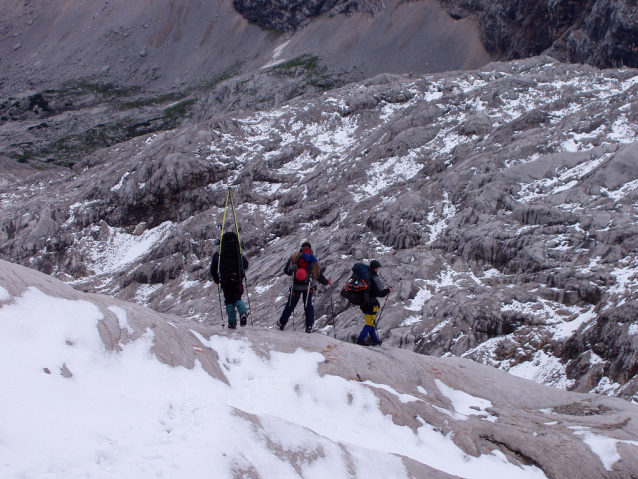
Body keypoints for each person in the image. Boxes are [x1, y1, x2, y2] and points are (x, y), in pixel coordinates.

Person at [277, 241, 332, 333]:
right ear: (310, 249)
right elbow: (318, 275)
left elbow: (287, 271)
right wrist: (327, 282)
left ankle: (282, 324)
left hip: (296, 286)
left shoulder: (295, 257)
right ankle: (309, 326)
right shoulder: (312, 259)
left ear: (301, 248)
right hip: (308, 287)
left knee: (290, 305)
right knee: (308, 306)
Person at [211, 231, 249, 329]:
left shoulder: (219, 255)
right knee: (237, 298)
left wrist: (216, 279)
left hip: (225, 281)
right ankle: (243, 312)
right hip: (237, 280)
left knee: (229, 301)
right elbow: (246, 265)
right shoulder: (238, 253)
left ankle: (232, 323)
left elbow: (213, 269)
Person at [356, 260, 392, 346]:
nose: (378, 269)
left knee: (371, 322)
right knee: (369, 323)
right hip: (371, 304)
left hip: (363, 303)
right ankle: (361, 339)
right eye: (378, 267)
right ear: (376, 268)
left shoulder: (364, 276)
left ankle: (374, 339)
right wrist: (387, 291)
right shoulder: (373, 277)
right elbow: (378, 293)